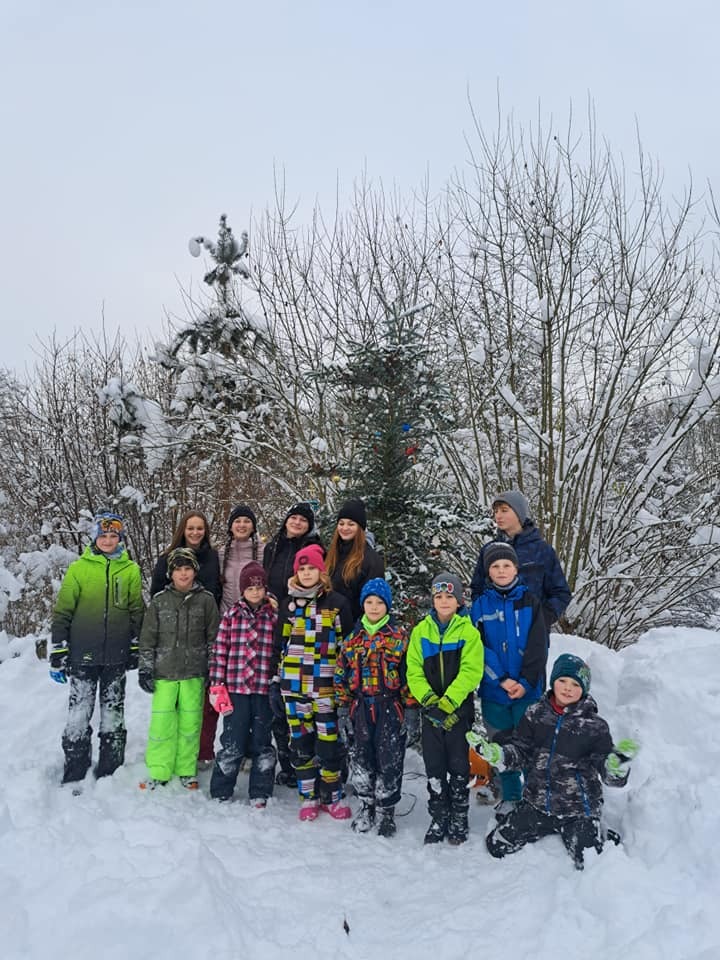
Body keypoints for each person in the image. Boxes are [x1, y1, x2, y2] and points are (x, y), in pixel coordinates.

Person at [471, 653, 639, 870]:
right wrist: (500, 755)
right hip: (537, 804)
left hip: (578, 810)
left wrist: (615, 769)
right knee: (496, 845)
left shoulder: (595, 726)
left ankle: (599, 831)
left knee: (590, 861)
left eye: (575, 684)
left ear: (585, 688)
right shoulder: (534, 714)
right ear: (553, 681)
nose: (568, 688)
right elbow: (521, 750)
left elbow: (605, 767)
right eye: (562, 681)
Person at [49, 512, 144, 786]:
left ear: (120, 539)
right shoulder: (79, 568)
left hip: (116, 655)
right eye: (103, 536)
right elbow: (63, 610)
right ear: (94, 538)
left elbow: (137, 610)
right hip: (83, 654)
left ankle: (110, 770)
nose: (108, 540)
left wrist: (136, 645)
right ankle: (75, 769)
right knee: (79, 712)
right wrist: (59, 649)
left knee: (113, 713)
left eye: (114, 536)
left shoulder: (130, 570)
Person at [271, 544, 353, 821]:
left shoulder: (336, 603)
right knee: (301, 743)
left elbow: (345, 646)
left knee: (329, 744)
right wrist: (276, 679)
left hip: (325, 687)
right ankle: (308, 796)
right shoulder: (288, 605)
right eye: (302, 569)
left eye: (312, 568)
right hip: (293, 687)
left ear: (322, 572)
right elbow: (279, 644)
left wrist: (344, 683)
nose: (307, 573)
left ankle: (332, 796)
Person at [406, 571, 484, 845]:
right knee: (435, 766)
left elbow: (471, 671)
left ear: (459, 600)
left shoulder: (468, 632)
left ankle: (459, 815)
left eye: (449, 596)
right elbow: (413, 669)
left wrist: (449, 703)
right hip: (430, 712)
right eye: (438, 596)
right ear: (432, 599)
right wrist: (429, 700)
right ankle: (439, 815)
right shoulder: (421, 632)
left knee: (459, 764)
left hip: (458, 711)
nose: (443, 601)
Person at [470, 543, 548, 812]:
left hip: (528, 692)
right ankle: (511, 800)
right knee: (502, 748)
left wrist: (525, 682)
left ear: (516, 569)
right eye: (495, 566)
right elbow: (477, 647)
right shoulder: (480, 606)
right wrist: (501, 679)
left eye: (506, 565)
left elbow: (539, 646)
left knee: (530, 747)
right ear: (488, 572)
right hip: (495, 693)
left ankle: (534, 801)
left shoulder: (531, 603)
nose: (501, 570)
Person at [334, 577, 415, 837]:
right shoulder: (352, 640)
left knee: (389, 759)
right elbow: (340, 674)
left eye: (379, 602)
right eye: (369, 602)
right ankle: (366, 806)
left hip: (389, 707)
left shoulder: (399, 638)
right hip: (360, 708)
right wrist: (343, 708)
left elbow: (410, 675)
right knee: (361, 758)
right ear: (363, 605)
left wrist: (411, 708)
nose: (374, 607)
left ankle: (386, 810)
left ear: (387, 605)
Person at [138, 548, 220, 790]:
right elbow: (147, 638)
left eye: (188, 569)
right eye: (178, 569)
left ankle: (186, 769)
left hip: (194, 673)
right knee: (161, 724)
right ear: (170, 573)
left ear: (195, 571)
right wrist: (145, 668)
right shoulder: (159, 601)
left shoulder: (206, 601)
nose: (183, 574)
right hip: (164, 673)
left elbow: (214, 639)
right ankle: (159, 769)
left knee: (190, 724)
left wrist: (213, 669)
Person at [149, 510, 222, 766]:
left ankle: (197, 754)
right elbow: (156, 598)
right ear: (183, 529)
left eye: (200, 528)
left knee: (198, 705)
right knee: (169, 707)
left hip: (203, 632)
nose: (195, 532)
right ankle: (165, 757)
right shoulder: (167, 558)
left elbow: (218, 590)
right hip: (173, 639)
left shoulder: (213, 557)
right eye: (190, 528)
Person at [263, 502, 323, 785]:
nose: (297, 522)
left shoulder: (313, 548)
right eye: (293, 517)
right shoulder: (272, 547)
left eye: (303, 519)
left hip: (304, 621)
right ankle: (287, 763)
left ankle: (309, 762)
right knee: (278, 699)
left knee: (302, 703)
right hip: (274, 617)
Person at [208, 562, 277, 805]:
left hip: (263, 689)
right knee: (232, 740)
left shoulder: (274, 616)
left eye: (259, 587)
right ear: (242, 590)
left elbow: (280, 649)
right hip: (236, 689)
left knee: (262, 740)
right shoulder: (231, 616)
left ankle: (260, 790)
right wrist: (217, 683)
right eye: (250, 588)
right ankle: (221, 789)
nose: (255, 592)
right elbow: (220, 651)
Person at [470, 490, 571, 631]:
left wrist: (541, 618)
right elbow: (477, 589)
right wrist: (485, 617)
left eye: (504, 510)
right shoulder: (489, 550)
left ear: (519, 513)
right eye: (496, 511)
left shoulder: (542, 551)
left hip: (532, 634)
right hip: (495, 632)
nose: (498, 516)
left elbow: (561, 593)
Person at [325, 498, 384, 622]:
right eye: (341, 523)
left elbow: (371, 600)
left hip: (352, 625)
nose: (345, 528)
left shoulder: (370, 559)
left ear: (360, 528)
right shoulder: (332, 554)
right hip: (327, 623)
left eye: (351, 524)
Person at [218, 504, 266, 613]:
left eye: (247, 521)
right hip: (226, 615)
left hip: (256, 616)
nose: (242, 525)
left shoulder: (264, 552)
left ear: (253, 528)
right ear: (231, 527)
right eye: (237, 521)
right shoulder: (222, 553)